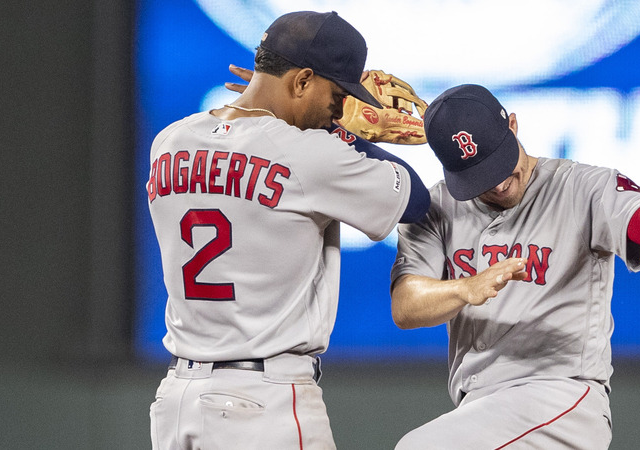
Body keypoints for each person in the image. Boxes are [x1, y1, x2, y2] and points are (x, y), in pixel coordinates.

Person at [145, 11, 429, 450]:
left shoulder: (169, 141)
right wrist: (348, 136)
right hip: (263, 401)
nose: (341, 109)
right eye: (338, 95)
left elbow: (246, 135)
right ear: (301, 81)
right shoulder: (310, 154)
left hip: (177, 400)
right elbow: (414, 200)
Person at [390, 84, 640, 449]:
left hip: (559, 396)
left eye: (498, 161)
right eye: (478, 174)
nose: (496, 182)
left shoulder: (580, 185)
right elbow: (405, 304)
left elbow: (638, 215)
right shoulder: (436, 206)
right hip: (480, 411)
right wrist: (463, 288)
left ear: (512, 125)